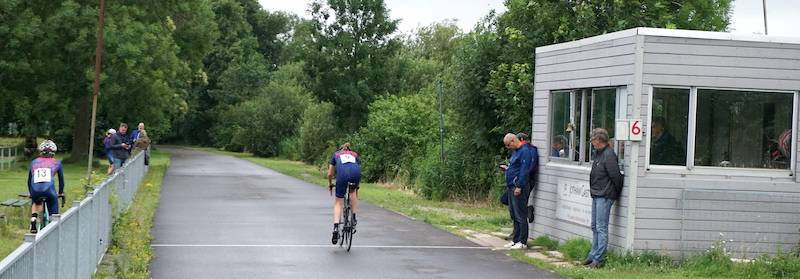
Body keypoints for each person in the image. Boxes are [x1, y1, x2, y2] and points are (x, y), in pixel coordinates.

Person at [583, 128, 623, 268]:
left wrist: (613, 193)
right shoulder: (599, 154)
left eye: (593, 140)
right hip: (597, 193)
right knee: (594, 226)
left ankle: (599, 259)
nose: (592, 143)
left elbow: (616, 177)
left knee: (601, 227)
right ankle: (593, 254)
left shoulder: (608, 155)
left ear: (599, 140)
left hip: (604, 195)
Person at [501, 133, 533, 250]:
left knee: (520, 215)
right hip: (511, 186)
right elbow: (514, 167)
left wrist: (519, 185)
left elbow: (524, 170)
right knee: (514, 214)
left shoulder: (525, 151)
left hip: (519, 187)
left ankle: (522, 241)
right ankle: (516, 239)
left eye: (508, 145)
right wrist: (507, 169)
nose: (508, 148)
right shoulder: (515, 152)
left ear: (513, 141)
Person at [27, 140, 65, 233]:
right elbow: (61, 181)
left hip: (35, 190)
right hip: (49, 191)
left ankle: (33, 218)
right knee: (53, 206)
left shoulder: (34, 162)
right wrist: (60, 192)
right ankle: (53, 227)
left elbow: (29, 180)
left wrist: (31, 193)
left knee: (36, 201)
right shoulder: (57, 162)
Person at [327, 143, 362, 245]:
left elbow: (330, 174)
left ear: (340, 149)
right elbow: (358, 169)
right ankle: (354, 217)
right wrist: (357, 188)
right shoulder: (354, 154)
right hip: (356, 173)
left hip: (342, 175)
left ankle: (335, 228)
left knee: (338, 202)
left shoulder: (336, 154)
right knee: (353, 192)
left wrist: (330, 184)